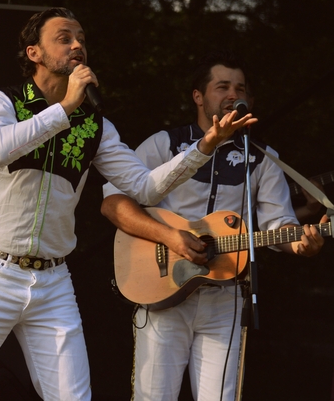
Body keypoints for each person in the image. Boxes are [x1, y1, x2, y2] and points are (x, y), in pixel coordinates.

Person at [0, 9, 254, 401]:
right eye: (64, 38)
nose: (77, 45)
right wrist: (65, 107)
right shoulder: (2, 100)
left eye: (81, 38)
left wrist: (205, 146)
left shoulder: (95, 125)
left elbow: (145, 188)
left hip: (52, 280)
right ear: (34, 52)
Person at [100, 50, 327, 401]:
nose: (233, 94)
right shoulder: (165, 144)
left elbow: (278, 223)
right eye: (223, 87)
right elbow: (113, 203)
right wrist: (170, 237)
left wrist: (301, 244)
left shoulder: (262, 158)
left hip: (226, 299)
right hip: (163, 292)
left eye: (241, 88)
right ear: (199, 96)